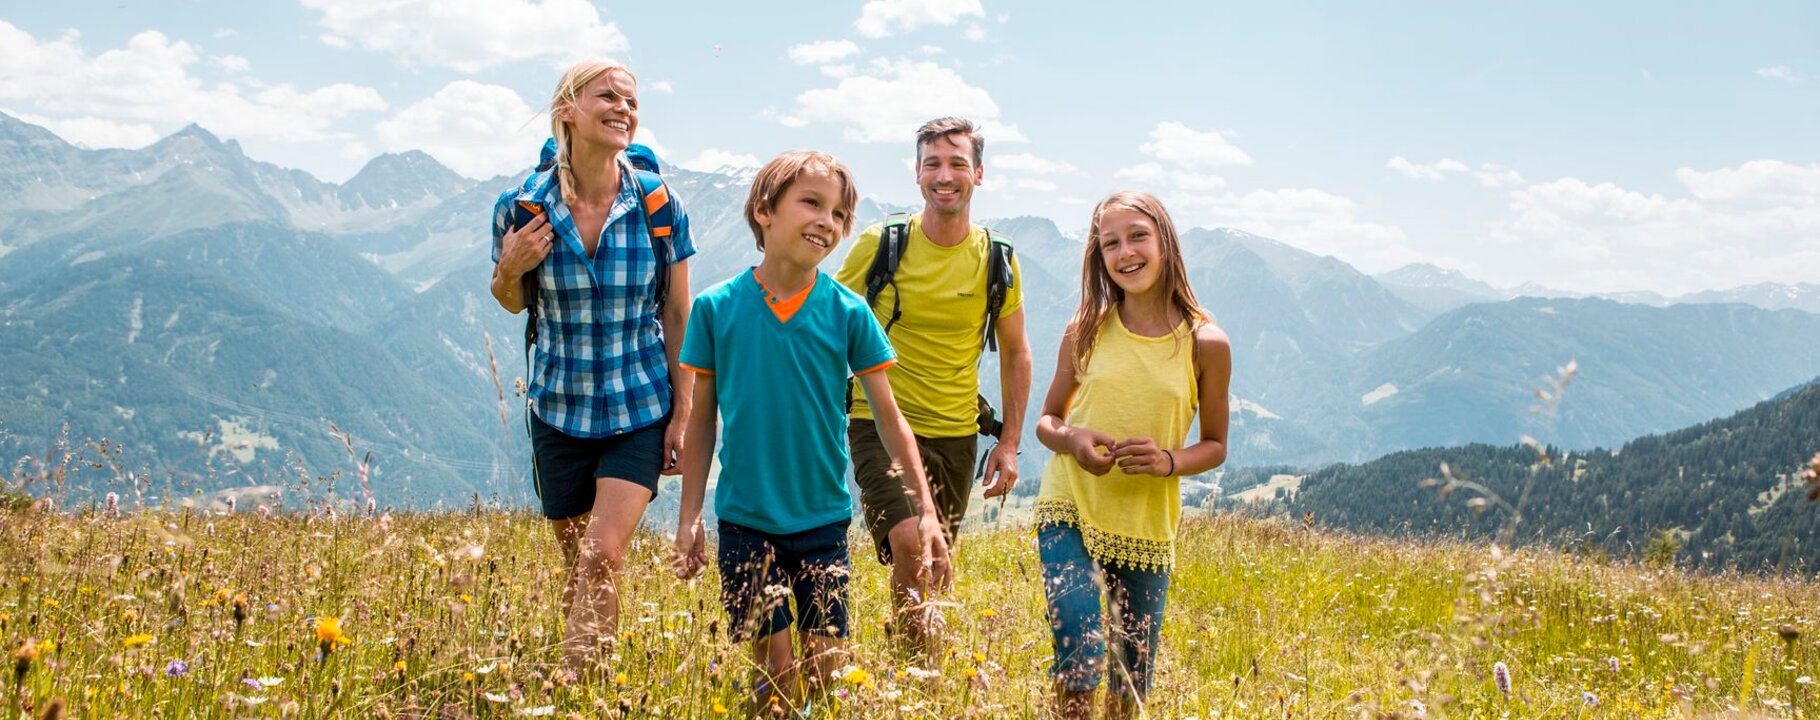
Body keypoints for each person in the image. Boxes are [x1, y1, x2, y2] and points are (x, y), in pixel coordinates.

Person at [671, 151, 951, 710]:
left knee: (825, 678)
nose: (828, 221)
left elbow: (890, 419)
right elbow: (702, 421)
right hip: (746, 523)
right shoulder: (714, 308)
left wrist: (925, 511)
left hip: (823, 520)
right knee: (771, 687)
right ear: (764, 211)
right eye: (812, 203)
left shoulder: (848, 312)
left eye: (840, 213)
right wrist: (689, 515)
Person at [488, 60, 695, 670]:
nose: (623, 108)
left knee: (602, 556)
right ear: (567, 110)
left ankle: (576, 689)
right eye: (607, 96)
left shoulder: (659, 204)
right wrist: (512, 265)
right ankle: (589, 670)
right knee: (581, 567)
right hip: (558, 410)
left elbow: (680, 315)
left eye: (631, 100)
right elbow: (509, 300)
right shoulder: (520, 208)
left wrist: (682, 416)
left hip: (638, 407)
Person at [832, 117, 1033, 643]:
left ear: (979, 174)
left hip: (957, 432)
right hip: (875, 420)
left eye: (957, 164)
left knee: (935, 558)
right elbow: (825, 325)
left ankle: (913, 667)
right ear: (917, 174)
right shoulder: (882, 245)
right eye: (933, 164)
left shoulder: (998, 260)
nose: (945, 176)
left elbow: (1016, 353)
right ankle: (918, 673)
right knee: (911, 544)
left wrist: (1009, 442)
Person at [1032, 191, 1231, 719]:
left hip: (1144, 521)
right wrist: (1072, 439)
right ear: (1099, 258)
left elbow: (1214, 445)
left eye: (1138, 235)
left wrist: (1168, 461)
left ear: (1165, 240)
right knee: (1080, 652)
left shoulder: (1206, 342)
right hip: (1069, 504)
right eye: (1110, 243)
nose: (1126, 253)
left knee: (1131, 680)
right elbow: (1047, 420)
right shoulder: (1086, 328)